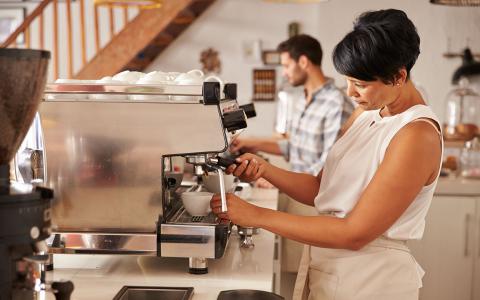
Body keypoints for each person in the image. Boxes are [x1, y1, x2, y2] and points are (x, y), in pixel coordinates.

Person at [211, 9, 443, 300]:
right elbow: (322, 188)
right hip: (334, 270)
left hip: (372, 281)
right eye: (348, 81)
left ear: (398, 76)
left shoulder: (416, 135)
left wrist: (256, 215)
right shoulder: (366, 113)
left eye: (360, 84)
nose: (349, 93)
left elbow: (354, 232)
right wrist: (264, 168)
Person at [231, 34, 354, 176]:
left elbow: (329, 166)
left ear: (303, 62)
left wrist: (276, 179)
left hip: (315, 194)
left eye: (286, 66)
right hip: (298, 189)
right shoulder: (302, 99)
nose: (284, 73)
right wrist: (251, 143)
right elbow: (294, 148)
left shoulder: (336, 103)